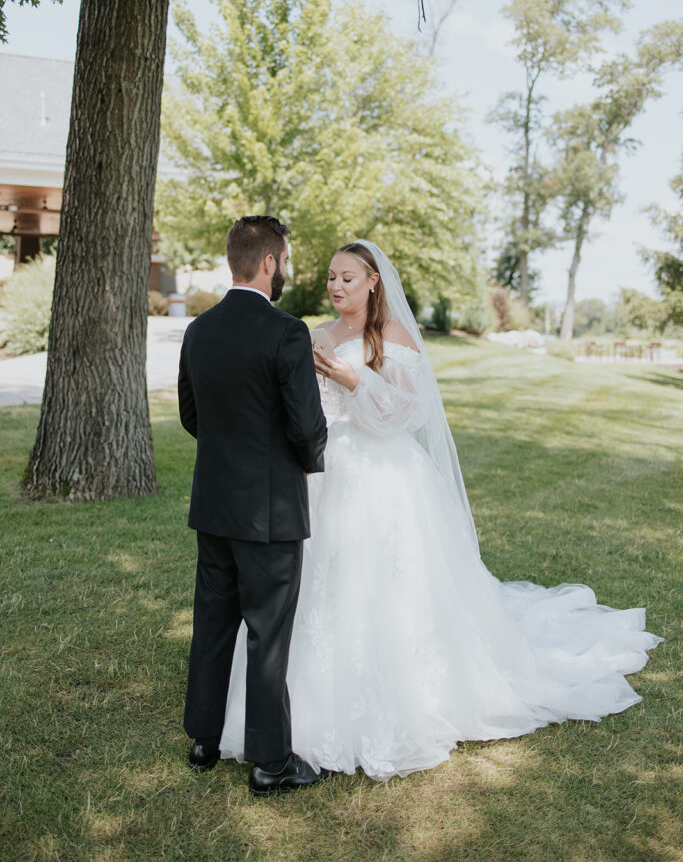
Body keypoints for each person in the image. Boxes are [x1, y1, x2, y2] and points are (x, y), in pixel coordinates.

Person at [218, 240, 662, 781]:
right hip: (323, 474)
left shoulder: (397, 337)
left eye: (348, 278)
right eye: (332, 278)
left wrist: (353, 379)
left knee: (388, 583)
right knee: (312, 586)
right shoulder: (313, 336)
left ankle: (406, 695)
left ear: (374, 282)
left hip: (384, 475)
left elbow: (405, 414)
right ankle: (288, 712)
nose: (336, 287)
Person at [178, 215, 328, 796]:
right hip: (269, 511)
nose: (284, 270)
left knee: (213, 622)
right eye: (284, 261)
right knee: (268, 633)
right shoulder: (286, 332)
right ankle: (271, 763)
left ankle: (203, 740)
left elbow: (193, 417)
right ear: (269, 263)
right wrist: (310, 464)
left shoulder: (199, 330)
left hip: (214, 503)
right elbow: (306, 426)